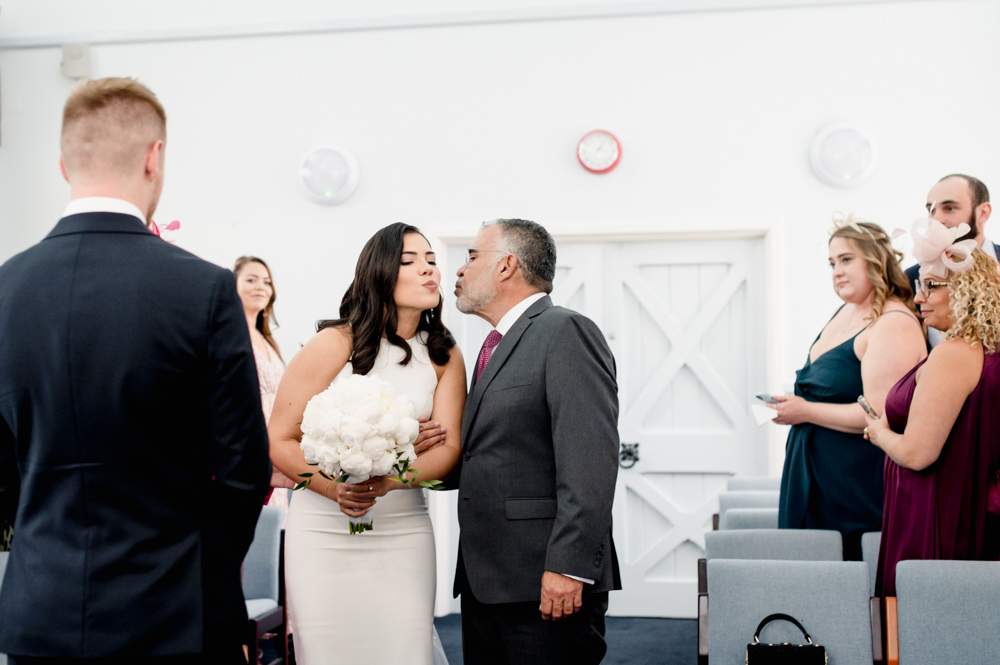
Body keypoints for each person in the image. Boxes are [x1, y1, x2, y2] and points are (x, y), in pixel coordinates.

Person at [0, 78, 271, 662]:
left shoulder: (5, 291)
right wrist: (206, 575)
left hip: (40, 614)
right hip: (175, 615)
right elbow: (245, 467)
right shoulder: (201, 288)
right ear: (155, 158)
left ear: (64, 165)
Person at [269, 223, 466, 664]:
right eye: (410, 261)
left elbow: (450, 448)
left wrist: (393, 480)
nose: (429, 270)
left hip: (403, 529)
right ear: (379, 272)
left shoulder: (444, 354)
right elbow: (280, 438)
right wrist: (332, 487)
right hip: (322, 531)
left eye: (432, 260)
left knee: (404, 651)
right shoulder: (333, 343)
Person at [452, 219, 621, 665]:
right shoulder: (494, 346)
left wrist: (569, 566)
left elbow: (589, 461)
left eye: (471, 257)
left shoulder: (565, 331)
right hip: (486, 580)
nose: (459, 271)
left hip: (544, 581)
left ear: (507, 265)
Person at [773, 215, 926, 560]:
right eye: (831, 263)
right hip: (812, 475)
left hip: (854, 485)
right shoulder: (846, 311)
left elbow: (879, 413)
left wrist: (806, 411)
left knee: (845, 589)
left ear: (874, 260)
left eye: (846, 260)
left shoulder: (892, 323)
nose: (836, 271)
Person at [866, 218, 1000, 597]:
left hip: (936, 512)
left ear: (966, 289)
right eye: (919, 285)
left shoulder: (956, 354)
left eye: (930, 285)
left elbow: (917, 453)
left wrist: (879, 433)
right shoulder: (987, 351)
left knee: (921, 629)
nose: (919, 296)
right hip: (963, 506)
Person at [906, 174, 998, 347]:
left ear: (983, 213)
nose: (936, 220)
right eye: (931, 210)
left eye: (949, 208)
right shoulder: (910, 279)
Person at [233, 255, 295, 508]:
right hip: (248, 444)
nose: (261, 286)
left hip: (276, 447)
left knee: (275, 532)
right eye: (251, 279)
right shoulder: (231, 336)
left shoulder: (267, 339)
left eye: (267, 282)